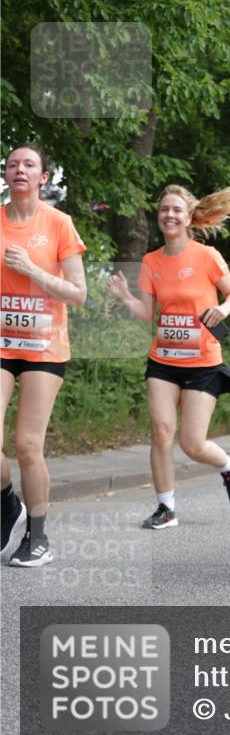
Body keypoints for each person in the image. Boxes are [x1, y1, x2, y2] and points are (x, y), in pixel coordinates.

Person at [107, 184, 230, 528]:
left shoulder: (207, 256)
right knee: (160, 430)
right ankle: (165, 508)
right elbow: (148, 312)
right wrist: (126, 297)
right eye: (163, 210)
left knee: (191, 442)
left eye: (176, 210)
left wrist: (222, 309)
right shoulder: (151, 261)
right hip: (163, 359)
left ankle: (229, 465)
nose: (169, 215)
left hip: (202, 361)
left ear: (188, 217)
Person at [1, 143, 87, 567]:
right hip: (1, 343)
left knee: (26, 444)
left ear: (43, 178)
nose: (20, 169)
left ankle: (38, 536)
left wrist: (32, 271)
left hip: (43, 346)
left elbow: (79, 293)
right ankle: (6, 503)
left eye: (29, 164)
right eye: (13, 164)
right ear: (5, 175)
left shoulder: (58, 223)